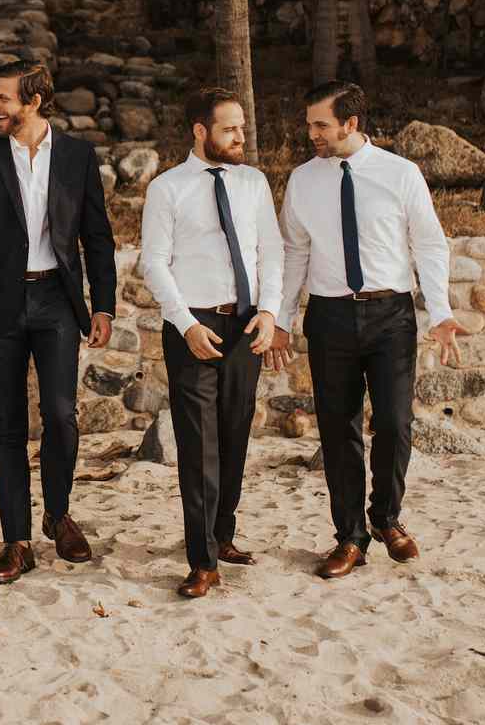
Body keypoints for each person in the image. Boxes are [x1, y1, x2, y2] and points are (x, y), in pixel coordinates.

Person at [270, 81, 465, 579]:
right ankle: (350, 537)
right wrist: (281, 317)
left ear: (350, 124)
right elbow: (294, 252)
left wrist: (439, 311)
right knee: (339, 431)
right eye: (310, 123)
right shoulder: (302, 180)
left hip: (390, 316)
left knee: (397, 424)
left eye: (321, 124)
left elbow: (429, 244)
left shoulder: (401, 174)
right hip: (330, 316)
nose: (310, 132)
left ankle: (386, 517)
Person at [0, 60, 117, 585]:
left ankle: (58, 512)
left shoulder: (76, 155)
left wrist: (104, 305)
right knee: (6, 424)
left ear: (34, 100)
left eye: (2, 99)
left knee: (63, 417)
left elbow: (98, 236)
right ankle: (16, 540)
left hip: (56, 302)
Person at [141, 88, 282, 598]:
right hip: (192, 327)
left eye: (242, 126)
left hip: (245, 326)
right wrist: (185, 323)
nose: (241, 136)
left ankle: (223, 535)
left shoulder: (254, 183)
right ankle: (202, 560)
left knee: (235, 433)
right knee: (198, 443)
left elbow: (273, 251)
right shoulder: (167, 188)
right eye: (229, 128)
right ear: (200, 131)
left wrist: (270, 312)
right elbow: (153, 261)